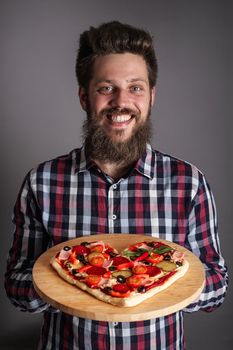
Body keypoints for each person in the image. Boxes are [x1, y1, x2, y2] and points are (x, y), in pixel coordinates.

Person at [5, 21, 228, 350]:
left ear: (151, 96)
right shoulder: (42, 182)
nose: (121, 102)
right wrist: (76, 276)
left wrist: (149, 277)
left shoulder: (189, 183)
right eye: (106, 88)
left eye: (135, 88)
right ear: (84, 96)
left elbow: (217, 288)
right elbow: (16, 287)